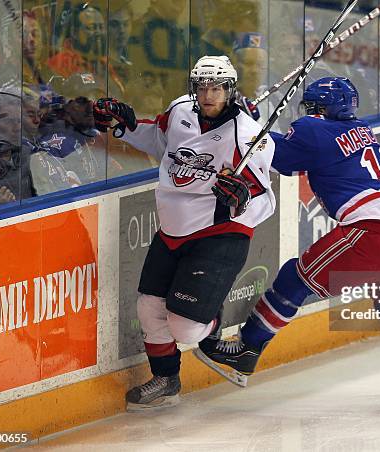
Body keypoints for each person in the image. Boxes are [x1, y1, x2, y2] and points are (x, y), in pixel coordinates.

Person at [194, 77, 380, 393]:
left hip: (373, 230)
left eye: (311, 106)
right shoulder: (362, 130)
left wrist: (245, 121)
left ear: (321, 108)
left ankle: (248, 349)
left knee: (294, 279)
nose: (306, 112)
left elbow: (279, 158)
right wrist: (252, 123)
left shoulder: (313, 129)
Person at [94, 55, 276, 410]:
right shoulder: (180, 111)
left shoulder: (248, 135)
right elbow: (162, 141)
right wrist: (125, 126)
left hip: (219, 233)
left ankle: (211, 327)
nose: (209, 95)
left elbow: (263, 198)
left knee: (187, 328)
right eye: (203, 87)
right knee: (149, 308)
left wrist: (240, 196)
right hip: (173, 230)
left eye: (218, 88)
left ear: (230, 91)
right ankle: (166, 379)